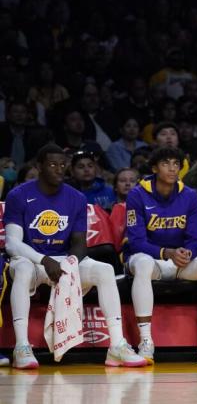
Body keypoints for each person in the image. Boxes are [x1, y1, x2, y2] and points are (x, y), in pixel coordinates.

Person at [5, 144, 146, 369]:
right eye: (52, 164)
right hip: (32, 261)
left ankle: (117, 346)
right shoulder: (19, 195)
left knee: (105, 270)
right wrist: (44, 260)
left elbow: (80, 242)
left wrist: (70, 263)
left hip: (62, 259)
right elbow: (12, 243)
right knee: (21, 268)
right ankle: (22, 347)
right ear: (39, 166)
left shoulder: (77, 198)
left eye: (63, 165)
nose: (59, 169)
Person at [125, 147, 197, 364]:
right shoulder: (137, 195)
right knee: (143, 264)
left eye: (176, 163)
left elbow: (194, 238)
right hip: (149, 259)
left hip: (178, 261)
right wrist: (166, 253)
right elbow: (136, 242)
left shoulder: (190, 195)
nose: (173, 168)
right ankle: (146, 343)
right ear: (155, 168)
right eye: (166, 163)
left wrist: (187, 253)